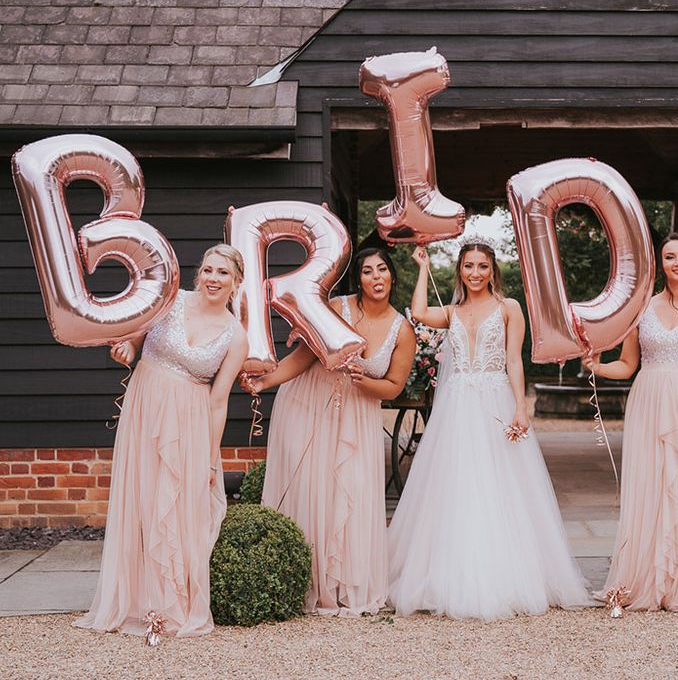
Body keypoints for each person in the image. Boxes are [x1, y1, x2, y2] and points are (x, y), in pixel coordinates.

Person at [388, 236, 591, 621]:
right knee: (458, 486)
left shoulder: (509, 308)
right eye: (468, 266)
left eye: (482, 266)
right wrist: (423, 268)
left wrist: (521, 407)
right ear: (460, 271)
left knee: (503, 485)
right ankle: (455, 572)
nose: (475, 273)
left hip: (496, 400)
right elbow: (416, 312)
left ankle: (508, 573)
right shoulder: (452, 311)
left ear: (492, 269)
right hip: (458, 407)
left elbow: (515, 361)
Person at [75, 244, 249, 637]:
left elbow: (219, 401)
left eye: (222, 273)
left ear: (236, 281)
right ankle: (134, 600)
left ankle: (166, 603)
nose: (212, 278)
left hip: (190, 422)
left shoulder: (236, 336)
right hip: (146, 404)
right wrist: (128, 347)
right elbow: (136, 336)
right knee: (142, 498)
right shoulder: (170, 300)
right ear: (198, 273)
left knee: (173, 507)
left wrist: (208, 459)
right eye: (207, 270)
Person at [252, 247, 416, 616]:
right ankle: (303, 580)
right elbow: (305, 356)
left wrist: (364, 381)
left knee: (351, 494)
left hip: (358, 414)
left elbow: (393, 386)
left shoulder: (401, 330)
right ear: (359, 278)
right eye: (368, 271)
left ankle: (341, 584)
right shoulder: (337, 308)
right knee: (311, 489)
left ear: (392, 276)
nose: (376, 277)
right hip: (309, 403)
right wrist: (267, 381)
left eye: (382, 270)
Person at [584, 232, 678, 611]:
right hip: (648, 401)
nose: (677, 263)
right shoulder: (641, 309)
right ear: (660, 264)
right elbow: (628, 364)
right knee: (649, 485)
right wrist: (596, 365)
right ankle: (646, 575)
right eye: (669, 257)